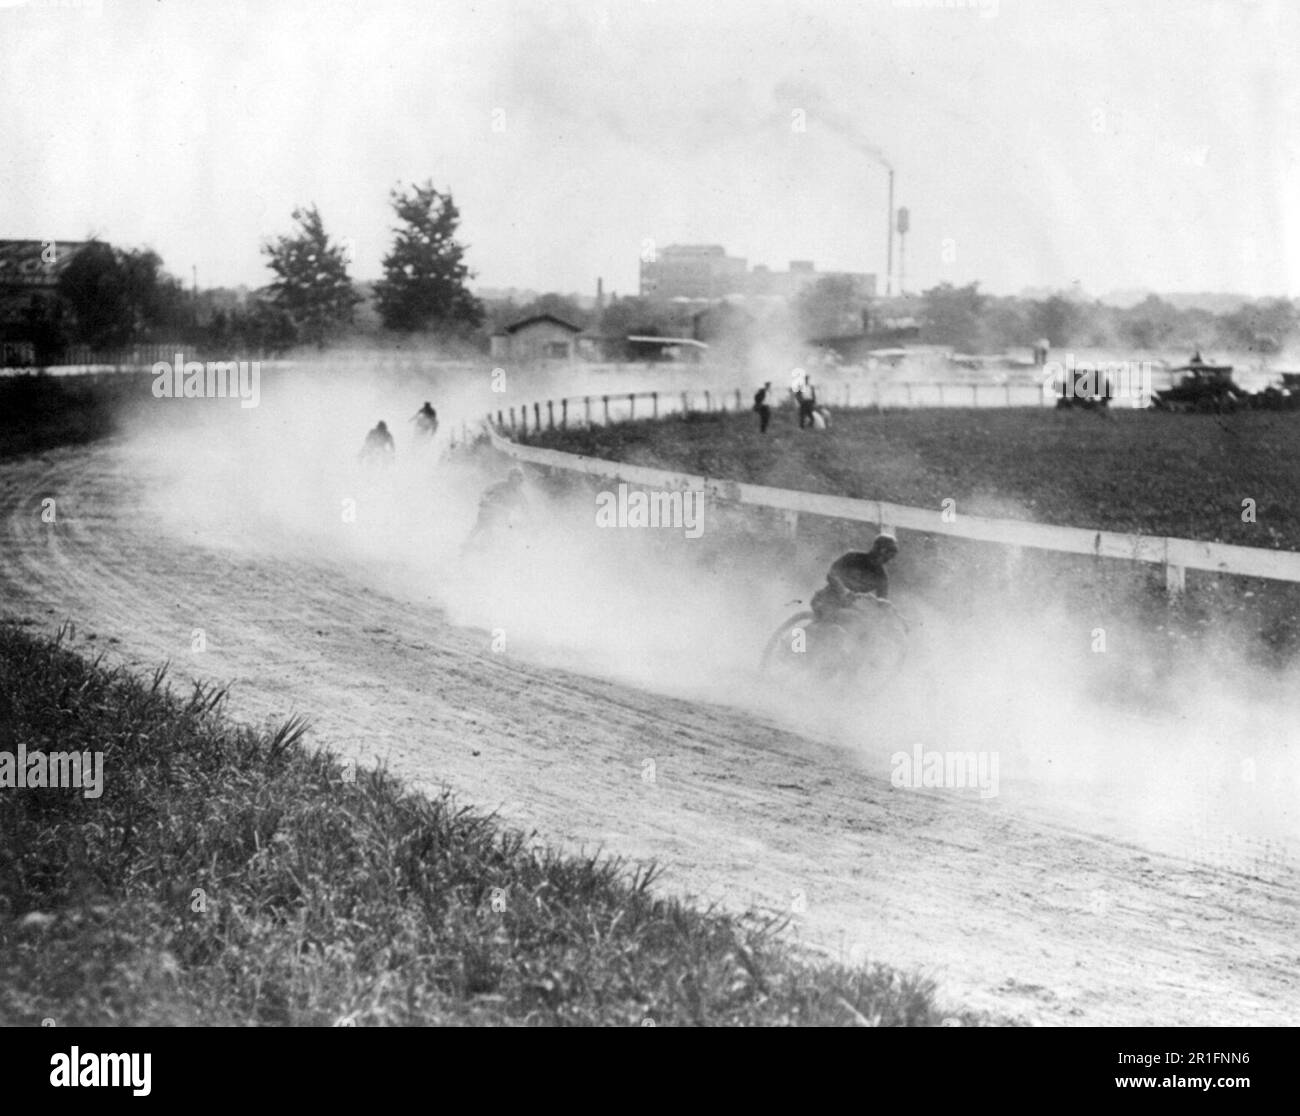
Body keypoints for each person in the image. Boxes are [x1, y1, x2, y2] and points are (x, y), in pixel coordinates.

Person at [810, 534, 898, 621]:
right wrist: (843, 591)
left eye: (891, 556)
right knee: (833, 626)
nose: (886, 559)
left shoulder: (881, 576)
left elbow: (882, 600)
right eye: (885, 552)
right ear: (876, 548)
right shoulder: (852, 557)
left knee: (860, 623)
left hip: (849, 607)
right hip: (826, 599)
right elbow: (832, 574)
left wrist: (886, 610)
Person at [464, 466, 528, 549]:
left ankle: (489, 547)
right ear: (510, 477)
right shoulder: (499, 485)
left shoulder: (519, 494)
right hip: (489, 510)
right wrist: (484, 500)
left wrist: (524, 516)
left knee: (502, 531)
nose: (517, 481)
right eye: (515, 477)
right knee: (481, 525)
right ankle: (468, 541)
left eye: (519, 478)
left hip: (504, 516)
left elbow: (525, 508)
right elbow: (485, 493)